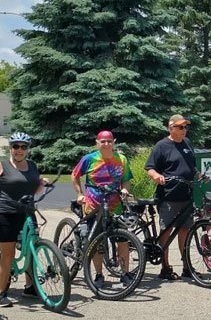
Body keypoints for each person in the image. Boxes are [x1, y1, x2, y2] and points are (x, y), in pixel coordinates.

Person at [0, 131, 44, 307]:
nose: (19, 150)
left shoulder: (32, 166)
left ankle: (30, 286)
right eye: (15, 146)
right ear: (10, 148)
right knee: (8, 254)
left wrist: (42, 183)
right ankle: (1, 292)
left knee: (31, 248)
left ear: (28, 149)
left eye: (23, 147)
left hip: (27, 211)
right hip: (5, 213)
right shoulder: (1, 165)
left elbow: (33, 188)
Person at [72, 130, 134, 287]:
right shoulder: (90, 159)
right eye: (103, 141)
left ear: (114, 142)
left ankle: (125, 273)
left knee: (123, 240)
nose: (106, 144)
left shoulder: (121, 159)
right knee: (96, 242)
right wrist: (80, 194)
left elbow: (126, 180)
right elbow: (75, 175)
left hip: (115, 207)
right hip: (93, 206)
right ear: (97, 142)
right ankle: (99, 275)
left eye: (109, 141)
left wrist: (125, 189)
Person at [145, 114, 197, 280]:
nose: (184, 130)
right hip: (168, 196)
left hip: (186, 196)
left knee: (185, 231)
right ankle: (165, 267)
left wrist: (198, 175)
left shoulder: (187, 144)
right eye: (180, 127)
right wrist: (156, 176)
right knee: (166, 232)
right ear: (171, 128)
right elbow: (150, 168)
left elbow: (191, 167)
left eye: (185, 127)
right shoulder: (162, 146)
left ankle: (186, 266)